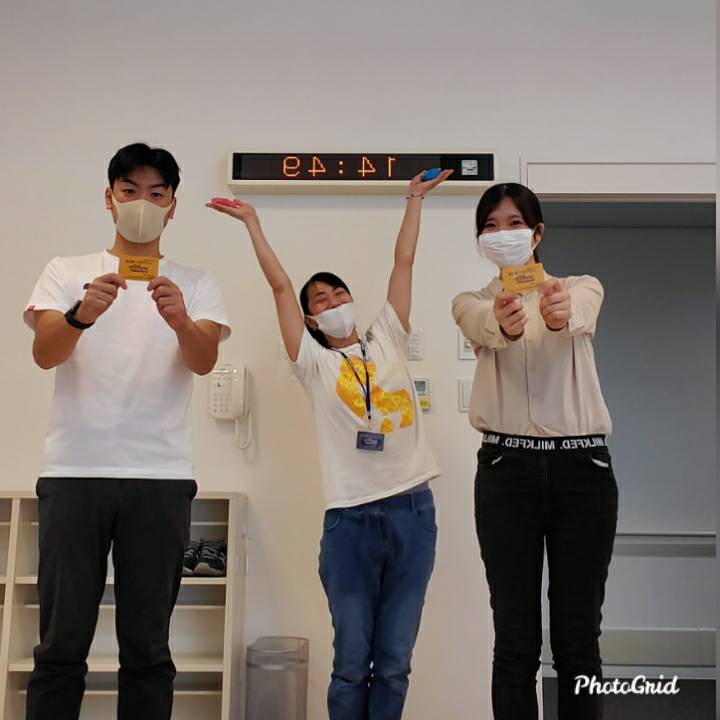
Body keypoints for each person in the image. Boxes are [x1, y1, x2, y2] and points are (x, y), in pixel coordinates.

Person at [206, 169, 451, 720]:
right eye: (320, 299)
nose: (333, 300)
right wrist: (252, 223)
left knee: (395, 663)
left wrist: (414, 200)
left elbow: (404, 262)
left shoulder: (388, 337)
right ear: (312, 320)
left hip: (413, 512)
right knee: (351, 663)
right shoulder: (314, 364)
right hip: (351, 521)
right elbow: (279, 287)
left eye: (338, 292)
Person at [23, 143, 231, 720]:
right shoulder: (66, 271)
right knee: (60, 645)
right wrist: (80, 314)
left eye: (157, 194)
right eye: (130, 191)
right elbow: (44, 354)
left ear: (173, 206)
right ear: (109, 200)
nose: (143, 204)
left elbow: (203, 362)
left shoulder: (196, 283)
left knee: (148, 649)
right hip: (74, 472)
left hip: (160, 476)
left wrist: (181, 320)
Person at [452, 182, 618, 720]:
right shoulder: (471, 303)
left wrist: (556, 312)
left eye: (515, 223)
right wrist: (502, 321)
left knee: (578, 638)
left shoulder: (581, 287)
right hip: (507, 470)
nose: (502, 234)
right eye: (490, 226)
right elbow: (484, 325)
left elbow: (576, 313)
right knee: (515, 639)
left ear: (538, 232)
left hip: (583, 469)